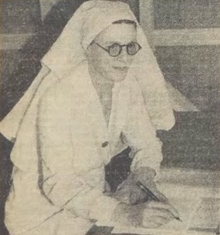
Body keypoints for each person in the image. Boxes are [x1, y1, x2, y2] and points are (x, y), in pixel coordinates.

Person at [0, 1, 178, 235]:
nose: (124, 58)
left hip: (93, 207)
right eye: (113, 47)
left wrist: (142, 177)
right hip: (42, 219)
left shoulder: (126, 84)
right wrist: (125, 213)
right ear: (87, 46)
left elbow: (147, 143)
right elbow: (58, 185)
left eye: (130, 47)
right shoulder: (57, 96)